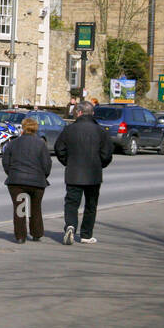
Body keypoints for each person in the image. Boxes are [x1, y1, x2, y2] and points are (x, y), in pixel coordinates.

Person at [53, 100, 114, 245]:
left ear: (79, 113)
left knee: (71, 203)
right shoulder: (100, 131)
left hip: (74, 173)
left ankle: (70, 226)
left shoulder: (69, 130)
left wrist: (68, 162)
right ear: (92, 113)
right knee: (91, 205)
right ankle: (86, 234)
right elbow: (107, 153)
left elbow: (59, 149)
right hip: (93, 174)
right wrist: (100, 164)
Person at [1, 117, 52, 243]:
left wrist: (11, 173)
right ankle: (36, 233)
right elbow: (47, 164)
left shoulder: (13, 143)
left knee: (20, 209)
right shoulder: (41, 144)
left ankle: (20, 236)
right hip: (37, 181)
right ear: (36, 128)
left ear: (23, 128)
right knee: (36, 208)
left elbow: (6, 162)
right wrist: (43, 176)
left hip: (17, 181)